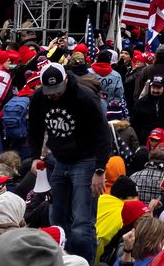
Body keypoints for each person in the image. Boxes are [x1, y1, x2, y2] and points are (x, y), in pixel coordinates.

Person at [28, 63, 116, 261]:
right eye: (49, 91)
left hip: (86, 159)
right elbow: (34, 127)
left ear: (66, 80)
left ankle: (83, 262)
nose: (54, 95)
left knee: (81, 222)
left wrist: (100, 169)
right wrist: (35, 156)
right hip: (58, 158)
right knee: (56, 218)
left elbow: (103, 134)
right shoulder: (39, 98)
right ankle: (61, 260)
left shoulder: (85, 97)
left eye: (57, 90)